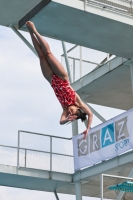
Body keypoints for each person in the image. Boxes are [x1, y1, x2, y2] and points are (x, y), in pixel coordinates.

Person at [26, 21, 93, 139]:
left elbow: (60, 121)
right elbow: (90, 114)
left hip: (51, 80)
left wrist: (67, 119)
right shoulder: (78, 102)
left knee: (41, 57)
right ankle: (35, 31)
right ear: (77, 108)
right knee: (48, 54)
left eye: (70, 114)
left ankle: (30, 33)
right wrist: (88, 128)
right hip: (62, 77)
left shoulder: (65, 110)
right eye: (73, 112)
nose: (70, 112)